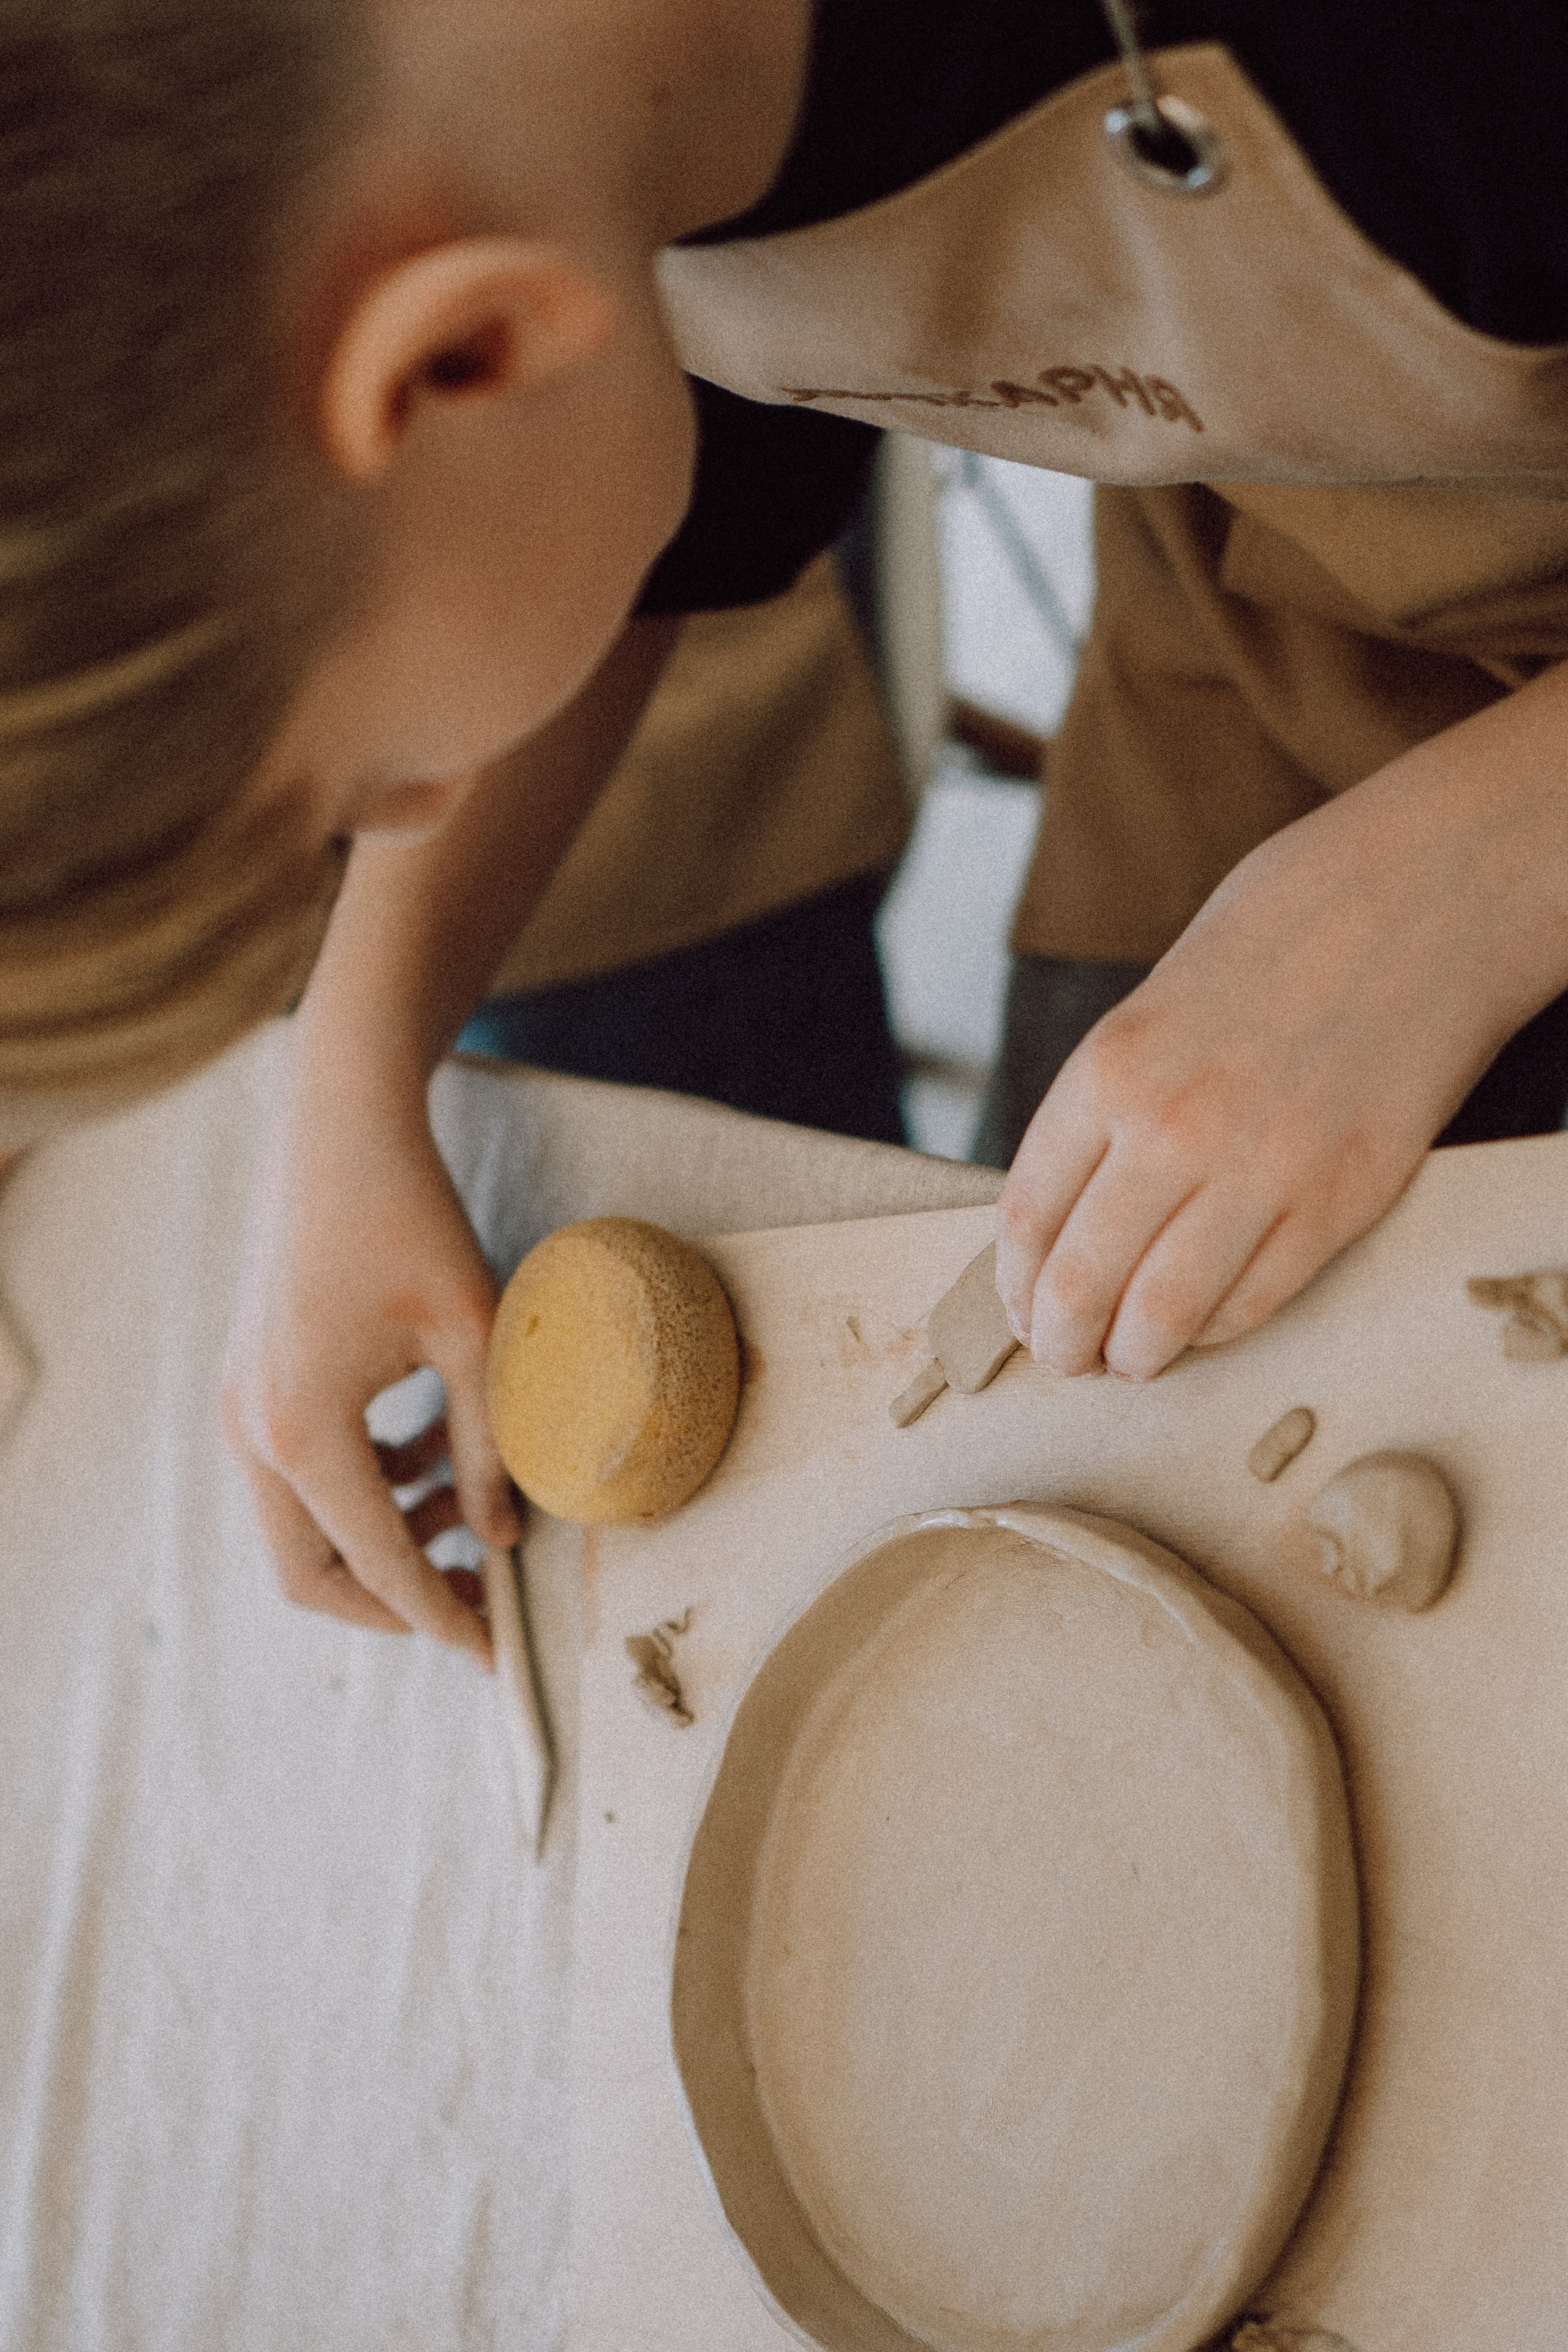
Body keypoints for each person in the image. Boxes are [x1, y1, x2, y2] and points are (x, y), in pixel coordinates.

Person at [6, 0, 1568, 1665]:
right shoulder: (562, 108)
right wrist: (354, 1078)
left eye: (356, 790)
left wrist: (1470, 873)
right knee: (1119, 1417)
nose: (416, 819)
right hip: (1279, 597)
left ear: (464, 352)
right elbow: (641, 503)